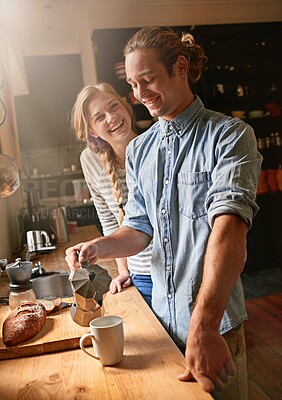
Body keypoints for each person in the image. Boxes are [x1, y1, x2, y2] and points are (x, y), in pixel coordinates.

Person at [66, 27, 262, 399]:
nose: (140, 95)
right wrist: (99, 247)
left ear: (181, 67)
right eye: (133, 85)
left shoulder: (230, 136)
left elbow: (230, 235)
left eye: (148, 80)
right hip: (163, 325)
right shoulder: (141, 150)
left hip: (215, 327)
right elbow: (139, 229)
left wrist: (203, 328)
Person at [70, 82, 153, 306]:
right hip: (140, 275)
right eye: (99, 117)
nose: (112, 117)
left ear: (125, 107)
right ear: (91, 131)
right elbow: (109, 221)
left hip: (176, 275)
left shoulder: (155, 146)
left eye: (114, 106)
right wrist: (124, 270)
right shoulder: (90, 160)